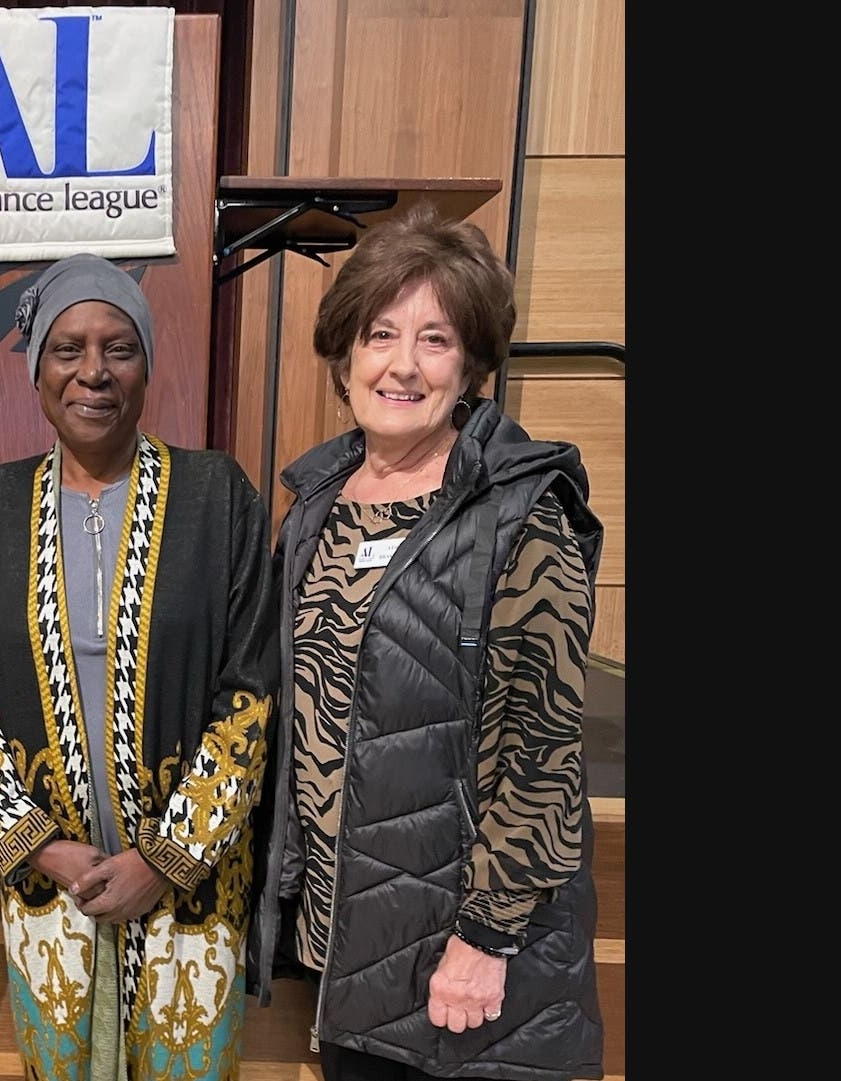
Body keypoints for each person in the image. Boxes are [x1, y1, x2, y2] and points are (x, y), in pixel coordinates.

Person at [247, 203, 605, 1081]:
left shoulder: (522, 516)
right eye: (379, 333)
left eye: (435, 339)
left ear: (472, 363)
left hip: (469, 961)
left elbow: (541, 752)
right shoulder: (317, 504)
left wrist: (484, 938)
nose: (401, 364)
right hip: (345, 941)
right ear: (344, 356)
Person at [0, 253, 279, 1081]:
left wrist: (162, 861)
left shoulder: (215, 497)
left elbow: (250, 696)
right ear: (35, 369)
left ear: (146, 365)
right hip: (52, 889)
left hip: (188, 895)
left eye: (118, 347)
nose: (93, 370)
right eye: (68, 348)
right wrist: (42, 846)